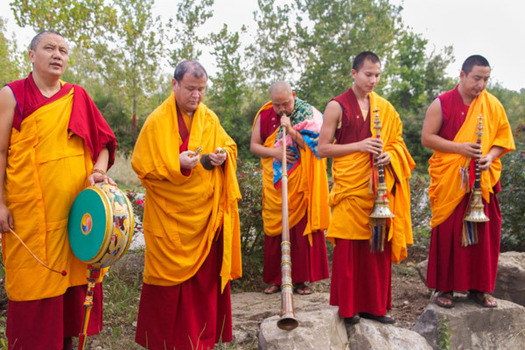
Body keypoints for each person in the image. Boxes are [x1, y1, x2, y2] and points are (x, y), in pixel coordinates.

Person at [0, 31, 117, 350]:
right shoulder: (11, 95)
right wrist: (0, 203)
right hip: (29, 217)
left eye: (63, 50)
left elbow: (104, 143)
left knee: (72, 290)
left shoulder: (77, 95)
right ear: (31, 55)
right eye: (49, 48)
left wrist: (98, 172)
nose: (57, 54)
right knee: (31, 288)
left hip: (75, 216)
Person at [131, 60, 242, 350]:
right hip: (169, 218)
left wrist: (220, 157)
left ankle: (201, 341)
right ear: (175, 84)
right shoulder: (157, 120)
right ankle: (166, 343)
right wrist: (175, 163)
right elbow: (142, 166)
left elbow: (227, 146)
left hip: (203, 217)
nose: (197, 95)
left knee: (202, 287)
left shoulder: (209, 118)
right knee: (168, 289)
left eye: (202, 89)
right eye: (191, 88)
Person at [318, 51, 414, 324]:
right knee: (349, 249)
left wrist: (391, 156)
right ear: (354, 73)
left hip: (378, 190)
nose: (373, 80)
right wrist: (360, 146)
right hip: (350, 189)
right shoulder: (336, 106)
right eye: (368, 74)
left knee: (376, 249)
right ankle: (349, 309)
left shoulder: (385, 107)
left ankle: (375, 307)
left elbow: (397, 143)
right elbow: (323, 149)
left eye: (377, 75)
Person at [421, 55, 515, 308]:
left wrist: (490, 156)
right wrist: (459, 148)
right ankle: (445, 288)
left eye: (486, 79)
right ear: (462, 75)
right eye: (476, 78)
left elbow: (503, 141)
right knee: (449, 232)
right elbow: (428, 138)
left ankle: (480, 288)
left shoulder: (492, 104)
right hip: (452, 179)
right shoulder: (442, 103)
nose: (481, 85)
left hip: (482, 181)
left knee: (486, 234)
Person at [250, 81, 330, 295]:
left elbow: (316, 148)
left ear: (294, 95)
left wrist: (291, 131)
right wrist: (274, 153)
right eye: (277, 105)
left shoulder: (309, 114)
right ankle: (276, 279)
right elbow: (254, 145)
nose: (281, 109)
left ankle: (301, 281)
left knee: (300, 231)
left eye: (285, 103)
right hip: (275, 183)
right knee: (275, 230)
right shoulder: (265, 115)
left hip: (300, 182)